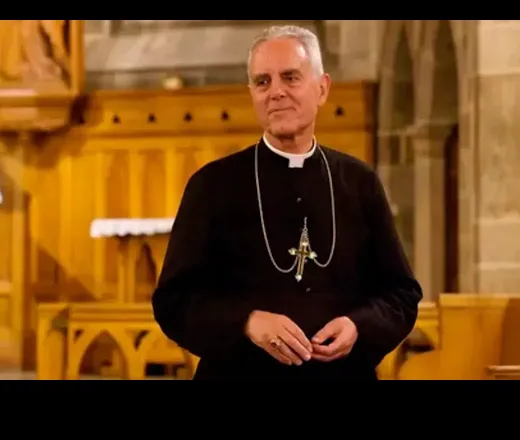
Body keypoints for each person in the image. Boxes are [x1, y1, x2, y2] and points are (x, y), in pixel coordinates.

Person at [151, 25, 423, 380]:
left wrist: (358, 326)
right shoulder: (212, 186)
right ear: (252, 93)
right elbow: (174, 302)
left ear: (322, 88)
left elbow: (401, 295)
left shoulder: (360, 183)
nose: (276, 92)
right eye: (262, 82)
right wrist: (247, 322)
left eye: (290, 77)